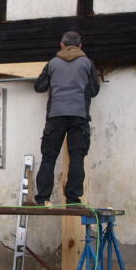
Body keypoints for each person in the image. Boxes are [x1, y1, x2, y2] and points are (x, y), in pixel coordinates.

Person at [34, 30, 100, 206]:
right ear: (80, 46)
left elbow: (39, 87)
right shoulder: (87, 63)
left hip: (56, 116)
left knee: (49, 157)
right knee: (77, 157)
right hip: (79, 116)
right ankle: (73, 199)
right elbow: (94, 91)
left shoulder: (52, 63)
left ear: (61, 45)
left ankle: (42, 198)